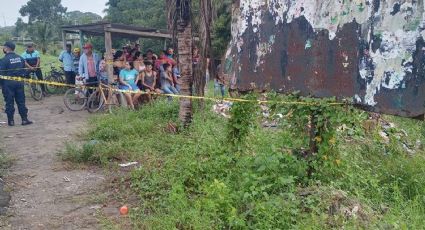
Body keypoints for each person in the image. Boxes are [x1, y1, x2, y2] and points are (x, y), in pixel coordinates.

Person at [0, 41, 33, 126]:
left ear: (6, 48)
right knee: (21, 101)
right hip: (19, 82)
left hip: (8, 84)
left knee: (9, 102)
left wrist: (1, 85)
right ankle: (24, 120)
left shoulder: (3, 60)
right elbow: (25, 70)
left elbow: (1, 74)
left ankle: (11, 121)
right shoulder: (20, 58)